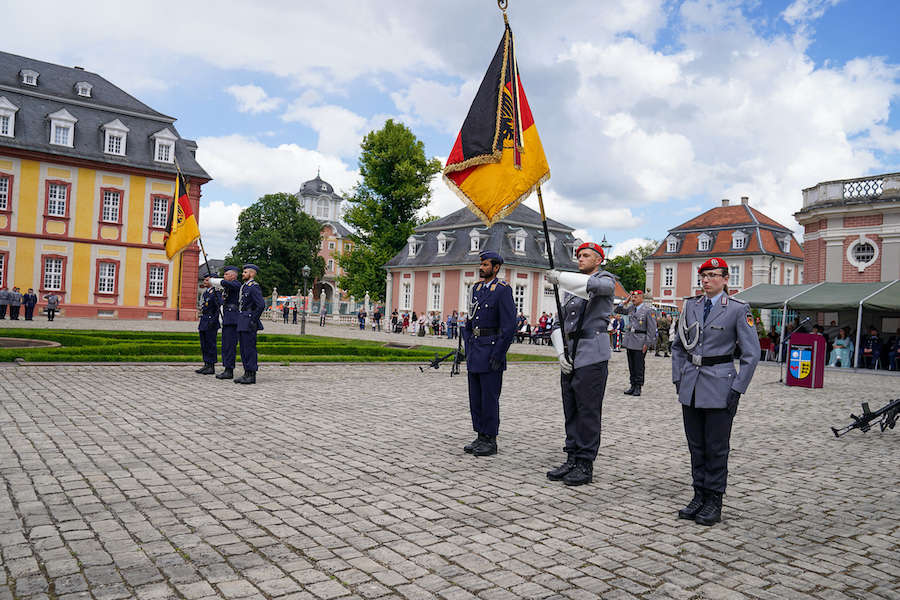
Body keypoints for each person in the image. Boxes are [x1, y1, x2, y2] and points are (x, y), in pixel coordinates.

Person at [672, 257, 760, 526]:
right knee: (696, 446)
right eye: (703, 275)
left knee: (717, 448)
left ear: (725, 279)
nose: (706, 280)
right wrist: (678, 378)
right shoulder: (691, 306)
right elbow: (678, 346)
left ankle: (714, 500)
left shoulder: (737, 309)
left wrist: (738, 388)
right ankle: (698, 494)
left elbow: (751, 353)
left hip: (721, 385)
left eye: (712, 275)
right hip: (692, 385)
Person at [544, 242, 616, 486]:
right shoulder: (570, 289)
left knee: (587, 410)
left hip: (592, 352)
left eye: (586, 255)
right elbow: (559, 322)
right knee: (571, 408)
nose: (580, 259)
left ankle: (585, 462)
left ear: (598, 259)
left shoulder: (605, 279)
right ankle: (572, 456)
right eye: (579, 256)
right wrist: (560, 353)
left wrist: (561, 277)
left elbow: (597, 287)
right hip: (571, 351)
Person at [461, 251, 516, 457]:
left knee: (489, 397)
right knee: (475, 397)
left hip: (491, 350)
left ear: (496, 268)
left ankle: (490, 439)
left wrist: (499, 354)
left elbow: (509, 326)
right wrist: (467, 344)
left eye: (485, 265)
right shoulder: (476, 288)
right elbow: (469, 320)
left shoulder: (502, 290)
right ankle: (480, 435)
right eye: (481, 264)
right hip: (476, 349)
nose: (481, 267)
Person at [614, 290, 657, 396]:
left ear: (641, 298)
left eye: (635, 297)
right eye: (632, 297)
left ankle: (638, 386)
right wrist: (625, 301)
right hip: (630, 340)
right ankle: (632, 385)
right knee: (631, 364)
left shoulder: (648, 310)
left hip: (640, 341)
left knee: (639, 365)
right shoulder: (631, 308)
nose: (633, 299)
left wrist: (647, 343)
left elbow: (651, 329)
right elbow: (617, 310)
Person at [234, 264, 265, 384]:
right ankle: (246, 372)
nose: (243, 274)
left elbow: (261, 305)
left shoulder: (254, 287)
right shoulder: (245, 287)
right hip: (242, 320)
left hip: (249, 321)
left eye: (245, 272)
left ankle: (251, 374)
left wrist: (253, 319)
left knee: (249, 348)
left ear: (252, 274)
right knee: (243, 349)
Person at [208, 266, 240, 379]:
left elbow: (225, 283)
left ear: (232, 275)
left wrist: (213, 281)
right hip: (227, 318)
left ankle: (229, 370)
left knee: (230, 346)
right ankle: (227, 367)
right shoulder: (228, 286)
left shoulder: (236, 284)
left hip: (233, 320)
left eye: (226, 274)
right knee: (225, 346)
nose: (224, 276)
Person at [196, 278, 221, 375]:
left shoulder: (215, 293)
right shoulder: (206, 293)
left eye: (206, 280)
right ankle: (206, 364)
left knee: (211, 344)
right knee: (204, 344)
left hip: (211, 321)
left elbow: (218, 308)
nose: (204, 282)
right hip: (204, 320)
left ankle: (211, 365)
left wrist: (213, 321)